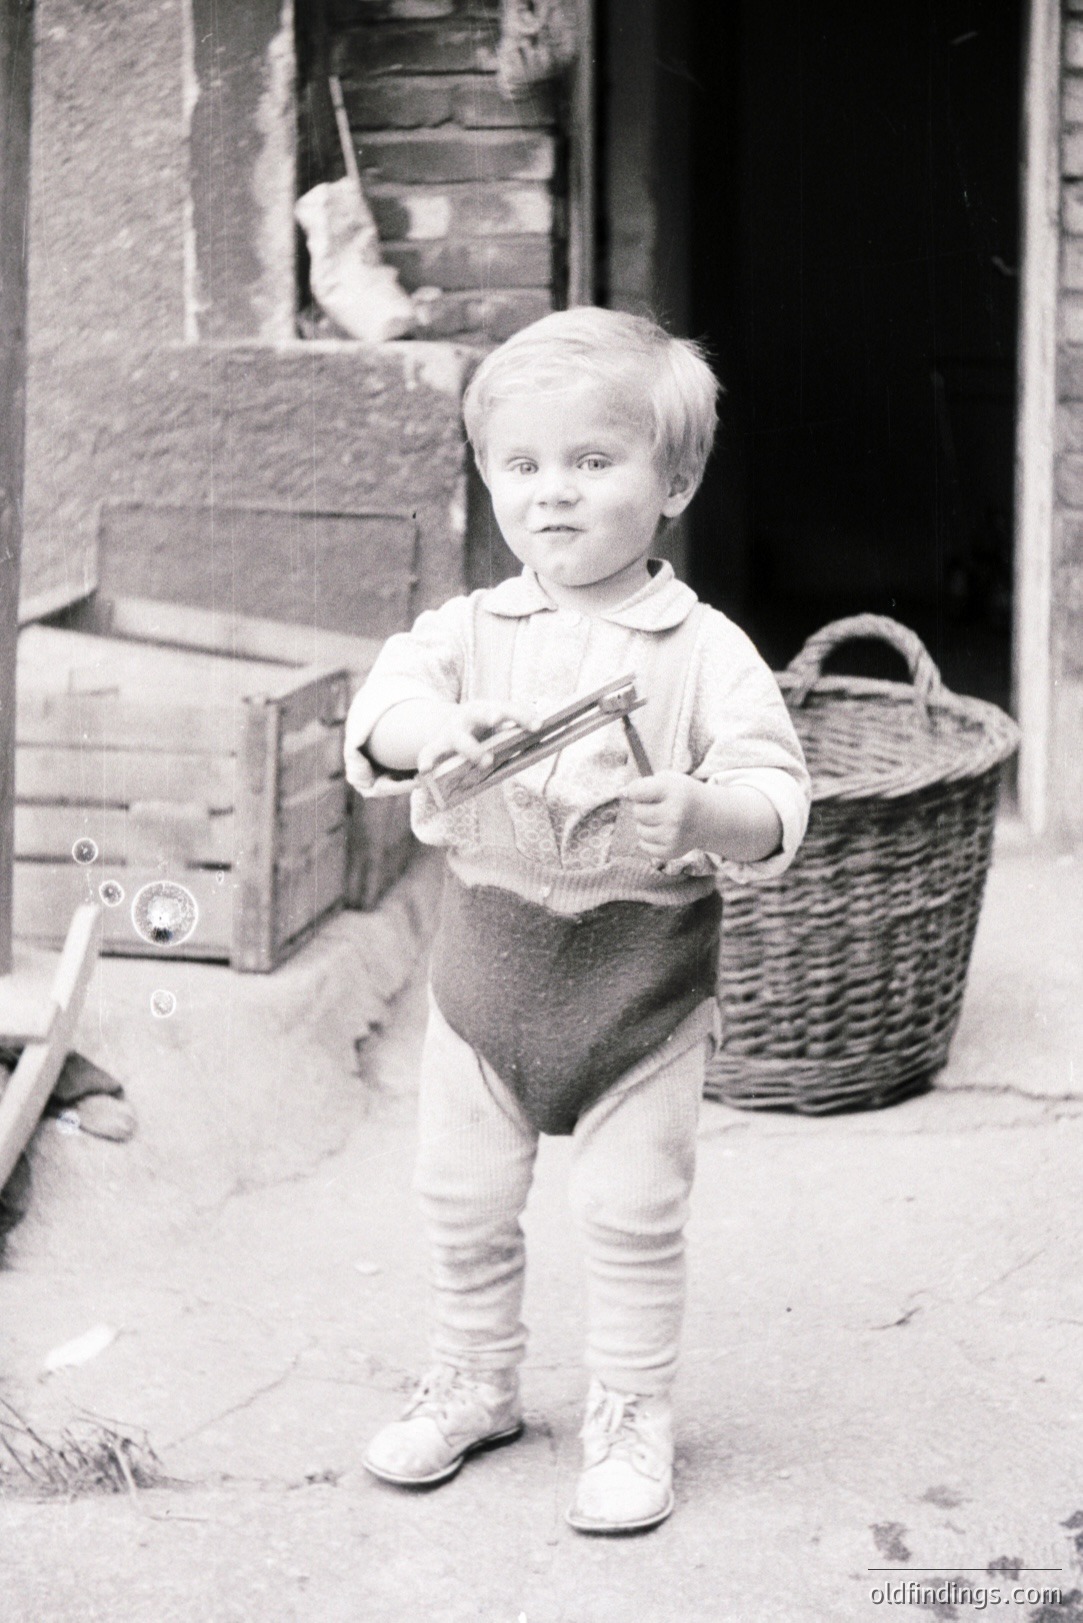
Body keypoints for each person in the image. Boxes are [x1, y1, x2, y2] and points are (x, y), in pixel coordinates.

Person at [344, 307, 811, 1534]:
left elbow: (779, 800)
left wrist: (710, 812)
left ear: (676, 482)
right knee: (458, 1196)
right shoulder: (466, 635)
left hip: (637, 992)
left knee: (633, 1212)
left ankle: (630, 1413)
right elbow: (382, 706)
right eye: (522, 465)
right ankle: (475, 1379)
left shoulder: (707, 652)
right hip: (485, 980)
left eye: (593, 463)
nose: (552, 496)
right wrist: (427, 731)